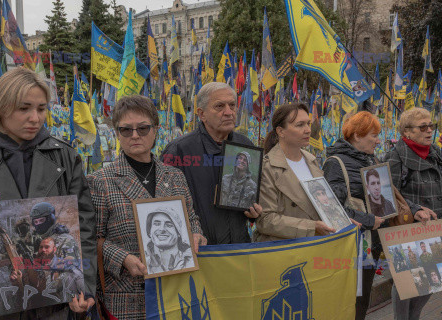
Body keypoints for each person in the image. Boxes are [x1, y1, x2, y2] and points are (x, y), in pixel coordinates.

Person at [0, 67, 96, 319]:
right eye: (24, 108)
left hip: (54, 303)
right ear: (1, 108)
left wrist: (84, 288)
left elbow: (85, 228)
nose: (35, 117)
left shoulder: (64, 157)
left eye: (41, 108)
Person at [87, 95, 206, 319]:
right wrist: (122, 258)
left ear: (155, 130)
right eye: (126, 130)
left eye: (142, 128)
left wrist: (197, 234)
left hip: (174, 293)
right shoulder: (100, 180)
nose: (134, 135)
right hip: (126, 297)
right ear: (116, 133)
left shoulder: (175, 176)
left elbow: (191, 219)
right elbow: (90, 239)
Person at [323, 111, 433, 320]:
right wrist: (368, 220)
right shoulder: (335, 163)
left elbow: (388, 194)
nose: (378, 140)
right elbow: (331, 208)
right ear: (357, 135)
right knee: (349, 302)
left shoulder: (370, 159)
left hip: (371, 244)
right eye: (373, 135)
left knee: (362, 299)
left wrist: (415, 208)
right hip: (349, 246)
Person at [161, 82, 261, 245]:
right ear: (201, 114)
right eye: (220, 106)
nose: (228, 112)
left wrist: (255, 211)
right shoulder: (179, 150)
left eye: (232, 105)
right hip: (200, 252)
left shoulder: (246, 146)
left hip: (239, 248)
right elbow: (164, 207)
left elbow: (253, 196)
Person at [253, 103, 338, 242]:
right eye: (300, 125)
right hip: (284, 251)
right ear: (281, 131)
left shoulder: (312, 161)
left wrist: (339, 221)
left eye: (308, 123)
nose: (308, 130)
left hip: (313, 246)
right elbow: (266, 220)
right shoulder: (267, 167)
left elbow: (322, 205)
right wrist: (312, 227)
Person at [385, 107, 439, 319]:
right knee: (406, 285)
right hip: (408, 230)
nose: (429, 131)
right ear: (407, 132)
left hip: (434, 227)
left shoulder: (436, 153)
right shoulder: (395, 156)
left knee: (429, 284)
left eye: (431, 126)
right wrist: (415, 209)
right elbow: (387, 195)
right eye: (422, 127)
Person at [145, 207, 194, 274]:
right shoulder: (144, 261)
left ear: (178, 233)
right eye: (156, 224)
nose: (162, 229)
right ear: (149, 232)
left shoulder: (191, 259)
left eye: (169, 225)